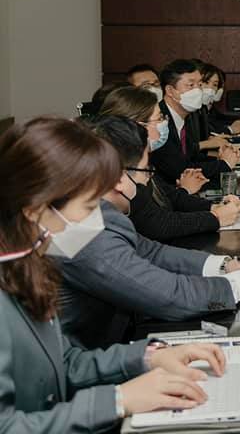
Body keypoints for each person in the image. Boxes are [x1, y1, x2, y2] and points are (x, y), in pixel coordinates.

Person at [0, 116, 227, 430]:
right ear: (37, 210)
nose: (99, 217)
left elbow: (65, 363)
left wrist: (148, 357)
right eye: (89, 206)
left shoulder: (28, 265)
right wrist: (118, 400)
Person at [57, 115, 240, 349]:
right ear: (119, 179)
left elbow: (151, 252)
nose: (147, 180)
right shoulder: (81, 232)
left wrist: (227, 265)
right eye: (145, 170)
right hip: (95, 355)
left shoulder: (98, 211)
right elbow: (170, 297)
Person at [99, 86, 240, 242]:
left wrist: (214, 206)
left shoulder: (141, 157)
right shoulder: (120, 166)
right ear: (137, 125)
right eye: (159, 118)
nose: (165, 123)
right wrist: (215, 217)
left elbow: (169, 195)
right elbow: (157, 223)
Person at [150, 59, 240, 185]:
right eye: (191, 85)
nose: (198, 91)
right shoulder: (158, 121)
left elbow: (192, 157)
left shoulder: (184, 116)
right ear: (170, 91)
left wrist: (220, 158)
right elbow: (180, 170)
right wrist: (224, 164)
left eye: (199, 84)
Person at [199, 63, 240, 137]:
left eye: (215, 85)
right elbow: (207, 133)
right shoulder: (194, 108)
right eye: (206, 82)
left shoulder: (206, 107)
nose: (210, 88)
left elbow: (220, 119)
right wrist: (230, 129)